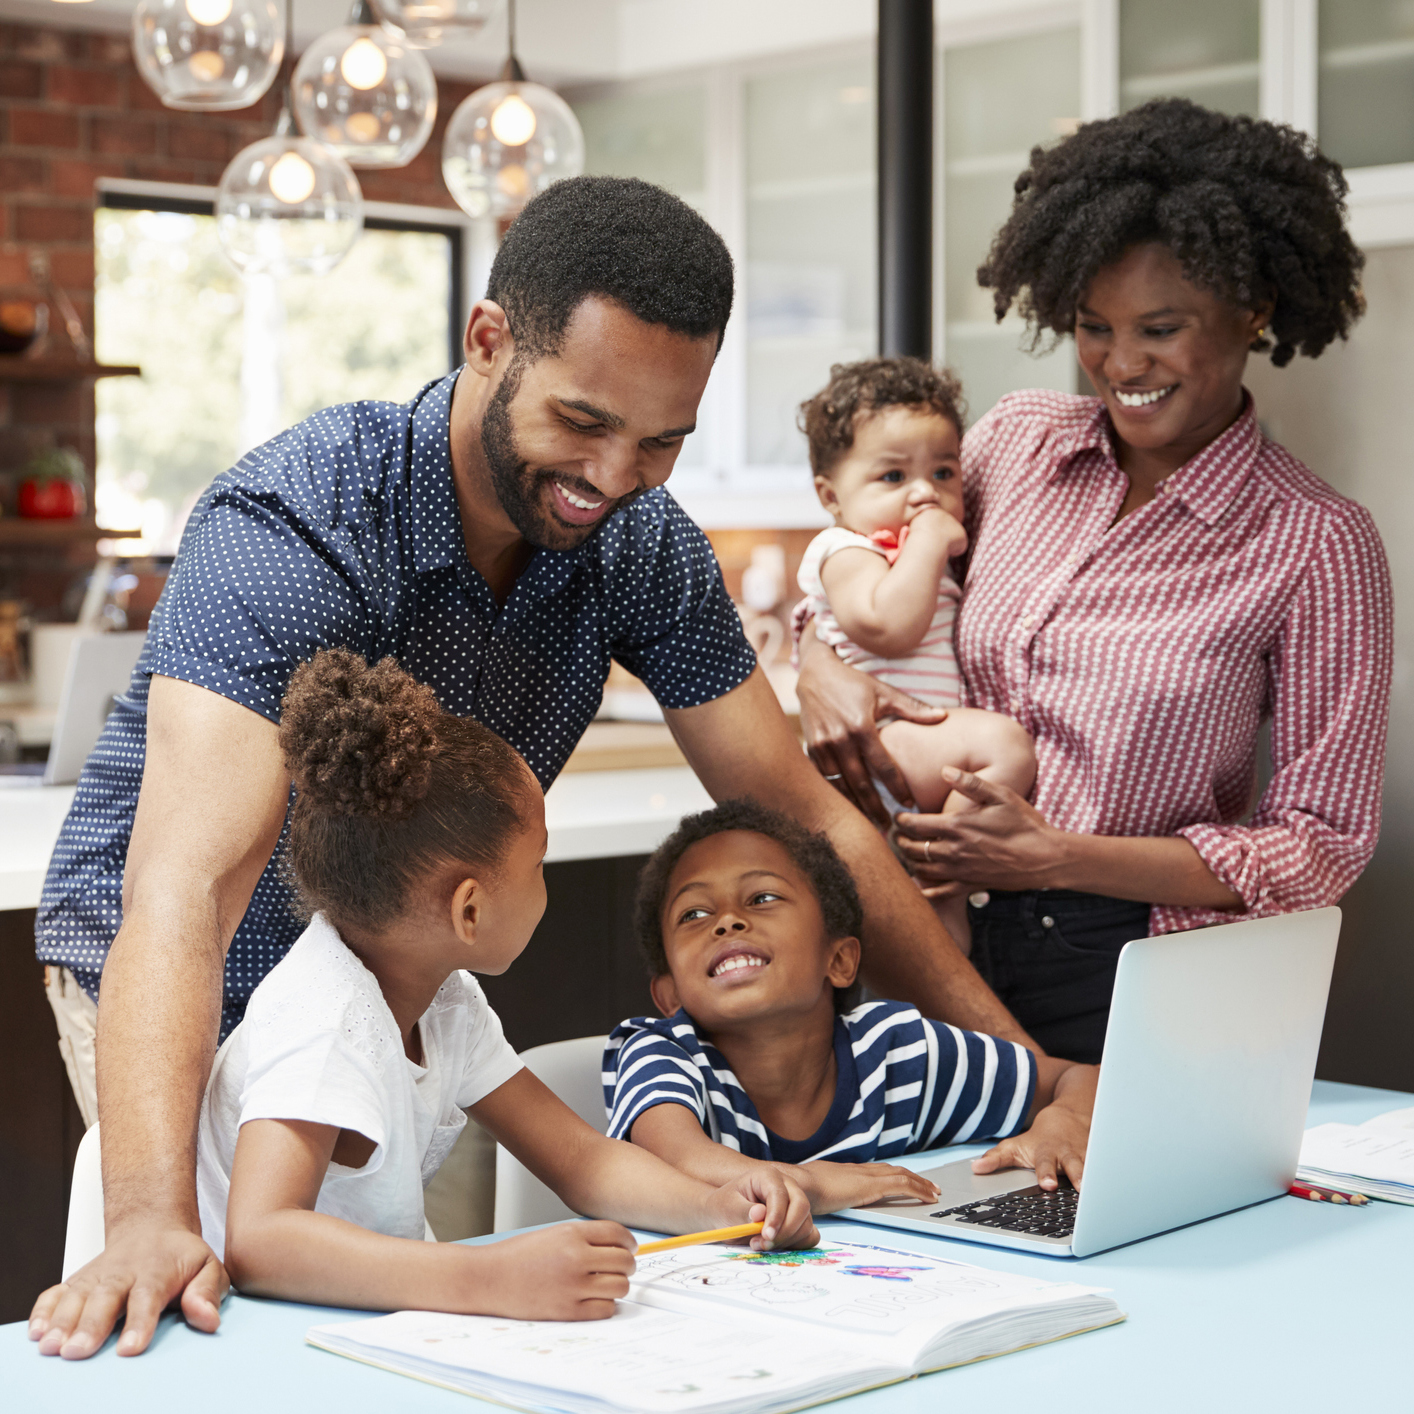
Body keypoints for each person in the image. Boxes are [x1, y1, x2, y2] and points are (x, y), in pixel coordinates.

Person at [31, 176, 1028, 1361]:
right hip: (187, 971)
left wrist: (1029, 1072)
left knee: (390, 1309)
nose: (615, 475)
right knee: (202, 1307)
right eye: (585, 422)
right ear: (488, 340)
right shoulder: (302, 521)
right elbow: (188, 889)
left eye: (661, 440)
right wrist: (147, 1217)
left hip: (396, 982)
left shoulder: (639, 546)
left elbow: (800, 811)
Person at [796, 99, 1393, 1065]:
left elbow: (1319, 845)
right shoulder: (1014, 442)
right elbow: (869, 564)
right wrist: (816, 666)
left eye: (1161, 328)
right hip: (919, 913)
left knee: (1086, 1210)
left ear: (1255, 309)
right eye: (1093, 325)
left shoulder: (1316, 543)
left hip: (1115, 958)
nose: (1121, 364)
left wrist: (1055, 855)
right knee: (924, 1206)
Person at [197, 650, 813, 1318]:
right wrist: (484, 1276)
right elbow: (260, 1242)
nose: (545, 883)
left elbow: (583, 1162)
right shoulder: (324, 1015)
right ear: (469, 911)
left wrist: (715, 1208)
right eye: (538, 861)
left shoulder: (443, 1000)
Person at [603, 799, 1098, 1204]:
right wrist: (812, 1182)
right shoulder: (661, 1052)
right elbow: (678, 1161)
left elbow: (1083, 1079)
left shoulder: (899, 1053)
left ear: (838, 960)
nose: (727, 922)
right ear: (669, 996)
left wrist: (1062, 1120)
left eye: (762, 898)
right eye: (693, 912)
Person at [794, 358, 1036, 948]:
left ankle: (938, 903)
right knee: (1006, 746)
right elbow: (885, 626)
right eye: (893, 477)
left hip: (916, 746)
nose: (925, 492)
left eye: (944, 471)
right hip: (880, 736)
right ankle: (941, 854)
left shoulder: (910, 554)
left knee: (935, 941)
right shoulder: (845, 547)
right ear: (831, 495)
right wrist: (930, 539)